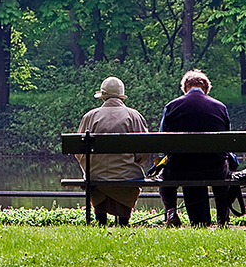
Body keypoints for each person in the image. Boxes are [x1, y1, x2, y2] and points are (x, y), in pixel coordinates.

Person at [158, 69, 231, 227]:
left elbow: (162, 141)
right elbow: (227, 141)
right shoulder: (220, 107)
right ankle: (223, 218)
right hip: (214, 168)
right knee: (224, 171)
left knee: (164, 175)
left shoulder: (172, 106)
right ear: (206, 89)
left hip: (180, 168)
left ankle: (171, 212)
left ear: (185, 88)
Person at [75, 76, 149, 226]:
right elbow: (144, 151)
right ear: (121, 95)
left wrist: (89, 167)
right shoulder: (134, 116)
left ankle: (100, 219)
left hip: (96, 176)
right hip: (126, 176)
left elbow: (78, 151)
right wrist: (134, 163)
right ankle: (123, 221)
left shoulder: (90, 117)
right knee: (128, 178)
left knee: (97, 178)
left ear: (103, 96)